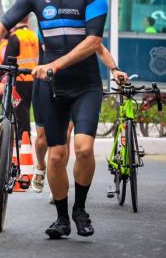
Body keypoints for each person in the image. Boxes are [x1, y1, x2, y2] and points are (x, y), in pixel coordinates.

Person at [0, 0, 108, 239]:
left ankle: (80, 208)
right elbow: (2, 24)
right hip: (49, 88)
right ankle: (62, 217)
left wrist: (54, 65)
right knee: (57, 155)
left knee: (84, 149)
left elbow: (93, 41)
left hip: (84, 84)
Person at [31, 43, 128, 195]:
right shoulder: (49, 25)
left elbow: (100, 48)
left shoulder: (85, 29)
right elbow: (54, 53)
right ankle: (41, 165)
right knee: (43, 139)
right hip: (47, 85)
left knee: (66, 134)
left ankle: (58, 179)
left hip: (76, 88)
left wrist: (114, 69)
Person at [2, 18, 39, 145]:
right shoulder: (33, 36)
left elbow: (8, 61)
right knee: (26, 108)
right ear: (28, 19)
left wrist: (0, 78)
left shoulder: (15, 37)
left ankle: (23, 137)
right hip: (32, 78)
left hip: (19, 79)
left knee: (19, 108)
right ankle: (24, 135)